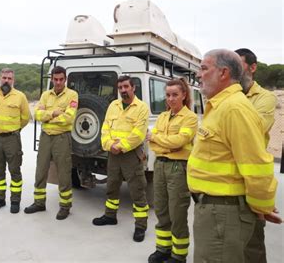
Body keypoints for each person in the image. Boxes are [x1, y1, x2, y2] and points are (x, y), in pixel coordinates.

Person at [188, 49, 278, 262]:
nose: (198, 75)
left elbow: (257, 165)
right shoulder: (221, 106)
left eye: (203, 69)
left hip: (223, 215)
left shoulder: (234, 109)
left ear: (223, 73)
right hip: (216, 212)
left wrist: (261, 206)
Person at [235, 48, 281, 263]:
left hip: (251, 178)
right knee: (230, 240)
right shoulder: (223, 95)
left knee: (252, 243)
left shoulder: (265, 98)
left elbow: (254, 129)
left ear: (253, 68)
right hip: (228, 177)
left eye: (239, 65)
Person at [91, 75, 150, 242]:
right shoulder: (113, 105)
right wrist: (109, 144)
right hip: (113, 154)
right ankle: (110, 216)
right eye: (120, 88)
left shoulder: (142, 108)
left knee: (137, 190)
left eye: (126, 87)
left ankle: (140, 226)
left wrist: (120, 146)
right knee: (112, 185)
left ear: (133, 88)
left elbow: (138, 134)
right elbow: (105, 128)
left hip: (131, 154)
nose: (123, 90)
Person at [146, 78, 198, 262]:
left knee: (177, 213)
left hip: (178, 169)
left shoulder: (190, 118)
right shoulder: (162, 116)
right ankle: (163, 249)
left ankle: (179, 254)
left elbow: (179, 142)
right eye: (167, 95)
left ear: (184, 95)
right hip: (159, 165)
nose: (170, 99)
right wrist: (166, 145)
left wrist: (157, 139)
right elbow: (155, 144)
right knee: (161, 210)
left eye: (175, 95)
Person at [24, 66, 78, 220]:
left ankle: (65, 206)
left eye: (61, 79)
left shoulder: (72, 95)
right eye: (56, 79)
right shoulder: (46, 95)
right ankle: (39, 203)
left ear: (65, 79)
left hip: (62, 137)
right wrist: (53, 113)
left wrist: (47, 117)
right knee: (41, 170)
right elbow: (37, 114)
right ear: (52, 79)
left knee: (63, 172)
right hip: (46, 136)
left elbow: (68, 118)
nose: (58, 82)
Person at [0, 68, 30, 214]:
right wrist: (0, 127)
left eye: (9, 78)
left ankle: (15, 201)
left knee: (15, 171)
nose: (6, 80)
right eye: (4, 77)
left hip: (12, 139)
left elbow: (25, 118)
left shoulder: (20, 96)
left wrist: (14, 129)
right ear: (0, 79)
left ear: (13, 80)